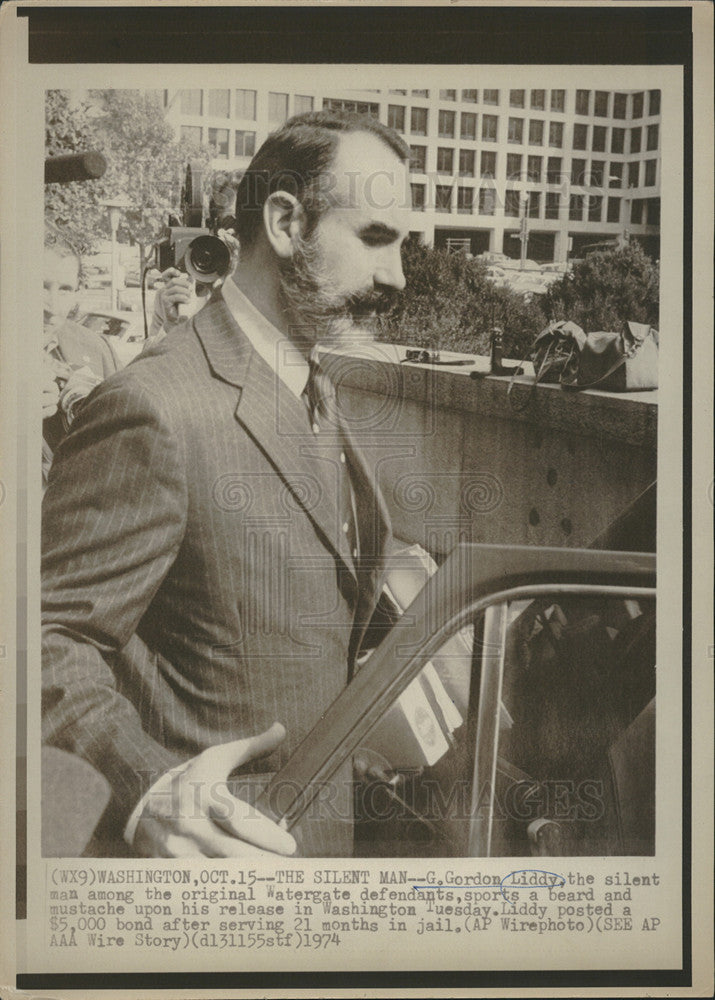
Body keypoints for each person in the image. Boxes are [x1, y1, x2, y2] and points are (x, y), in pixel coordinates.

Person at [42, 110, 411, 858]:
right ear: (284, 222)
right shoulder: (155, 406)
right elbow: (43, 638)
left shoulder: (311, 382)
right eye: (375, 237)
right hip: (208, 880)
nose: (396, 276)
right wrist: (145, 788)